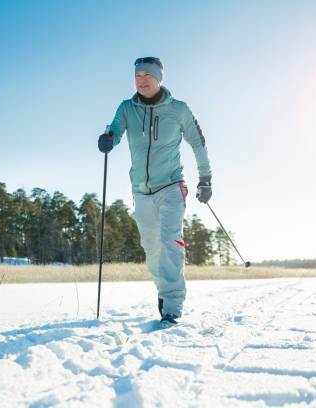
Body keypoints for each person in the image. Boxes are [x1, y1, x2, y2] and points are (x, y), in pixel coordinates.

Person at [98, 57, 212, 329]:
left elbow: (198, 142)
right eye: (137, 75)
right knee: (152, 250)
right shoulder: (127, 109)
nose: (141, 80)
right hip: (142, 191)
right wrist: (107, 140)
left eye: (147, 75)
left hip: (172, 186)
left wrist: (205, 178)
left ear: (159, 78)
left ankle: (172, 306)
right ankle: (164, 291)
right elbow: (114, 131)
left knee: (170, 242)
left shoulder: (178, 109)